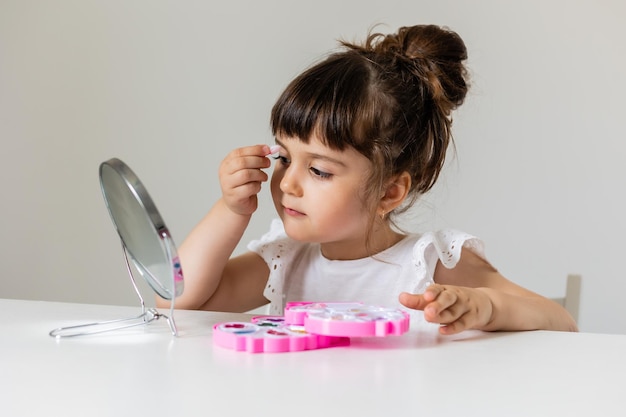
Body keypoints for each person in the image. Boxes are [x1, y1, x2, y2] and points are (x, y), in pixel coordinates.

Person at [159, 24, 578, 334]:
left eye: (319, 170)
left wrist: (485, 306)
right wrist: (231, 210)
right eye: (284, 157)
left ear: (390, 191)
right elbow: (177, 302)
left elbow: (561, 323)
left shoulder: (429, 264)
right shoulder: (287, 260)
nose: (287, 183)